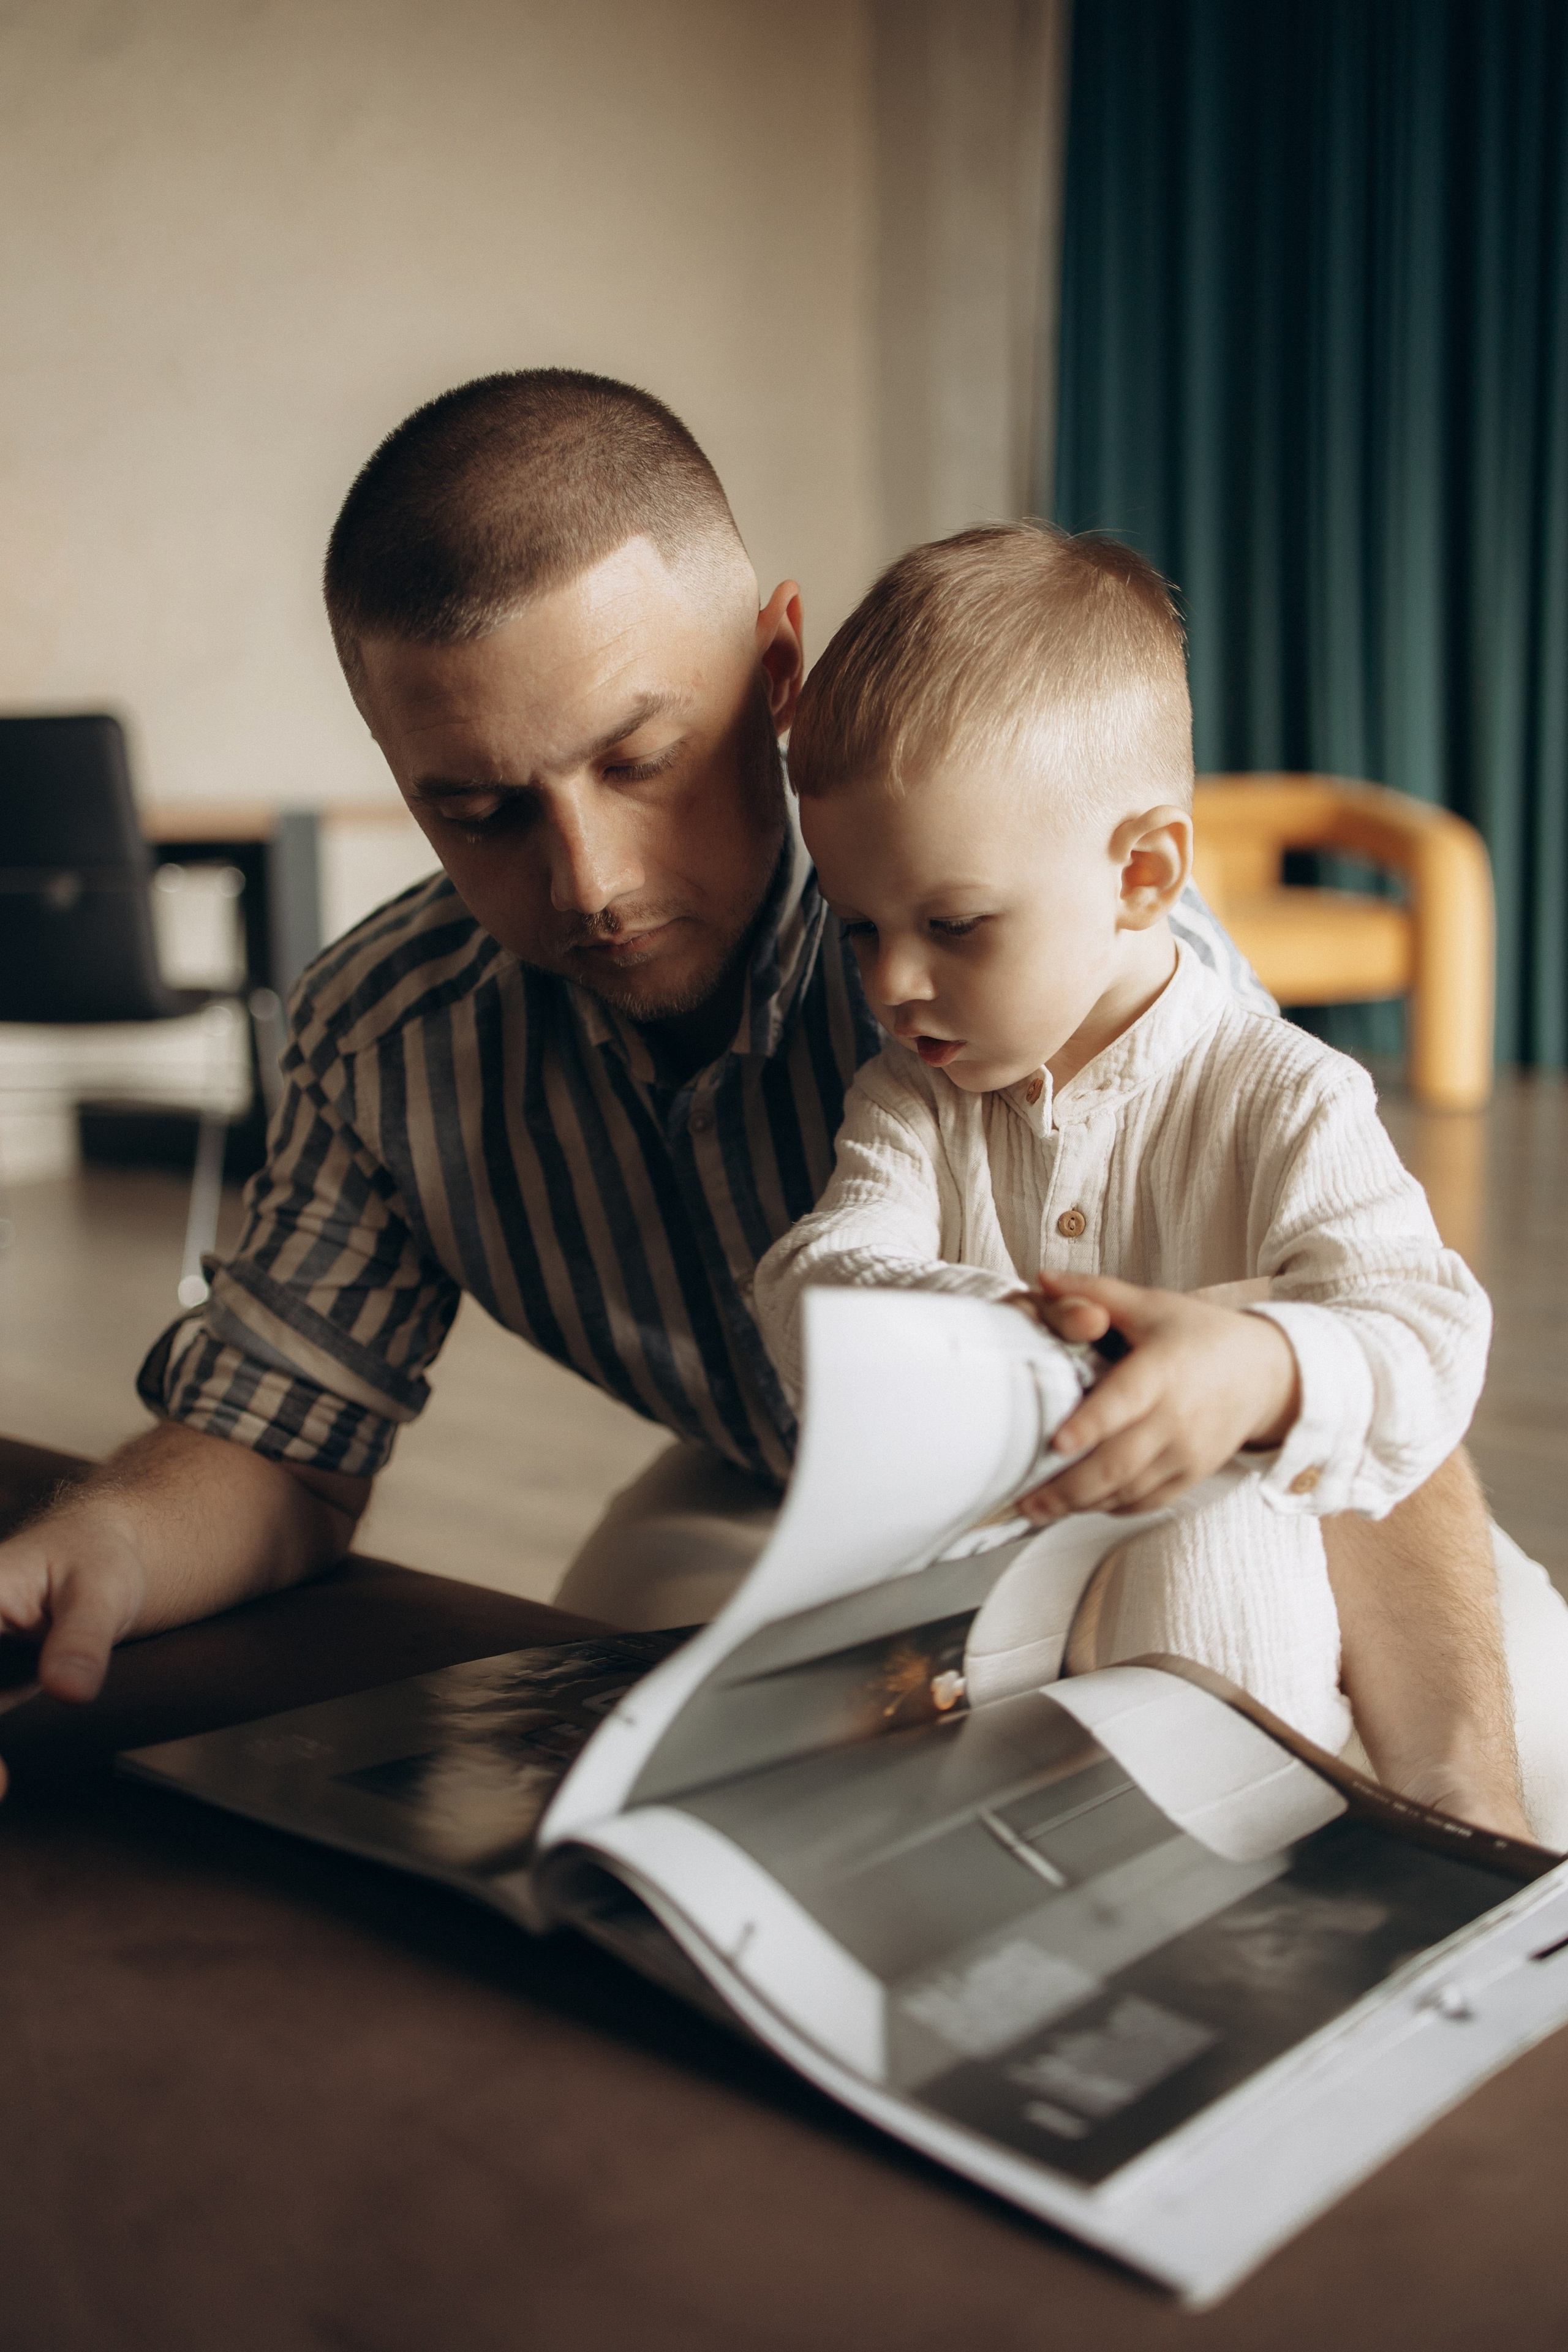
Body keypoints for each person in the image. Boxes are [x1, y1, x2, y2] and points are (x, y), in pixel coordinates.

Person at [0, 370, 1556, 1842]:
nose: (589, 887)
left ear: (777, 675)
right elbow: (282, 1437)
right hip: (799, 1487)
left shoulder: (1037, 938)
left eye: (642, 759)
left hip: (1210, 1487)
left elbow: (1370, 1408)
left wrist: (1461, 1793)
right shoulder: (387, 1039)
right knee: (604, 1726)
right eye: (474, 812)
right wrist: (112, 1544)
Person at [752, 523, 1562, 1836]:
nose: (890, 983)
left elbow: (1424, 1330)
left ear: (1141, 876)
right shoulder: (905, 1102)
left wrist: (1261, 1369)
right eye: (859, 927)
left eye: (951, 925)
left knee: (1217, 1522)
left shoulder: (1284, 1092)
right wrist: (1001, 1337)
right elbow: (811, 1275)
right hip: (991, 1675)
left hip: (1240, 1686)